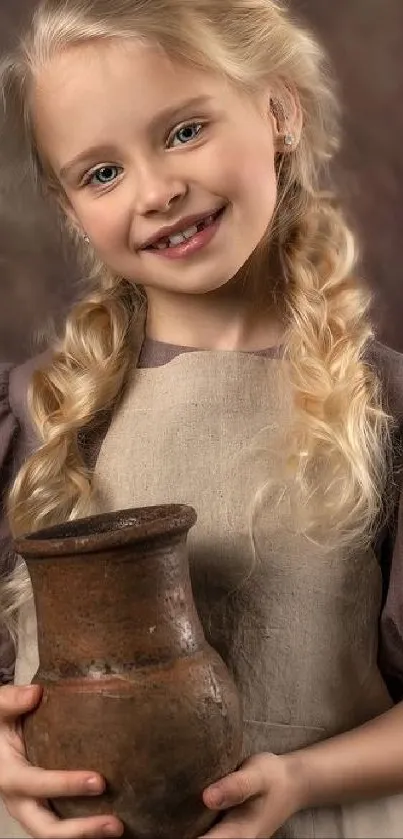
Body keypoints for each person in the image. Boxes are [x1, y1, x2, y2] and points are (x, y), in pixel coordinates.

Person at [1, 0, 403, 836]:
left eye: (184, 131)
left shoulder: (378, 406)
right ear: (71, 208)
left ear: (277, 110)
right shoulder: (35, 413)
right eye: (100, 173)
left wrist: (300, 775)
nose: (157, 191)